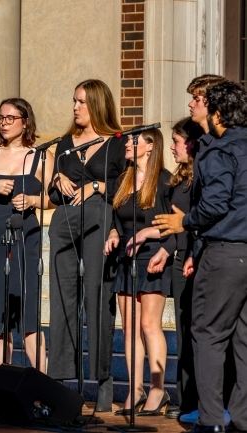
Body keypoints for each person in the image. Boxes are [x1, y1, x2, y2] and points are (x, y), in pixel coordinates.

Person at [154, 81, 247, 433]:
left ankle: (210, 420)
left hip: (225, 253)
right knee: (243, 339)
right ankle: (241, 418)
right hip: (239, 252)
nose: (193, 104)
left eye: (199, 100)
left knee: (207, 335)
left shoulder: (220, 150)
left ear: (217, 112)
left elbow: (215, 204)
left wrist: (185, 221)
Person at [47, 79, 126, 411]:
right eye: (74, 101)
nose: (76, 107)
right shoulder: (65, 143)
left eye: (81, 102)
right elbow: (51, 196)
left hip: (99, 218)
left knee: (97, 295)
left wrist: (97, 185)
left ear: (96, 104)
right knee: (62, 298)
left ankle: (103, 381)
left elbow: (126, 187)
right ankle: (62, 381)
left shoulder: (116, 143)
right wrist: (56, 180)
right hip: (65, 220)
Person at [0, 98, 53, 371]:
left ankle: (42, 383)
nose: (4, 123)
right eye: (0, 118)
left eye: (10, 118)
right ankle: (4, 379)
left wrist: (33, 200)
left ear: (25, 121)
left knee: (27, 313)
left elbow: (53, 197)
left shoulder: (42, 156)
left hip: (25, 235)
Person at [103, 127, 173, 416]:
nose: (128, 145)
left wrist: (148, 233)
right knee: (130, 328)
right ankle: (136, 388)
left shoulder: (165, 181)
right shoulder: (124, 180)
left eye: (135, 141)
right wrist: (113, 233)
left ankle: (158, 389)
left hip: (153, 257)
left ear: (150, 146)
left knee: (148, 325)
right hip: (125, 258)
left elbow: (175, 223)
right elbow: (117, 217)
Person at [146, 118, 203, 419]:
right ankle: (185, 399)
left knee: (199, 332)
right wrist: (166, 251)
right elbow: (176, 228)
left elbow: (197, 222)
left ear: (191, 143)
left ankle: (201, 400)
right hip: (181, 258)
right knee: (182, 331)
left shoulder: (203, 178)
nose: (172, 146)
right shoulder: (177, 180)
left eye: (176, 141)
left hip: (201, 258)